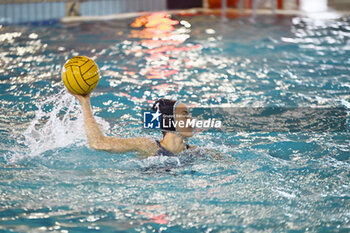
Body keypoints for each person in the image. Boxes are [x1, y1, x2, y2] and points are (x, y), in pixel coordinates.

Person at [73, 93, 196, 157]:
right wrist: (85, 103)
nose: (192, 120)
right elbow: (98, 143)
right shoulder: (148, 146)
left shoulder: (195, 152)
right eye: (185, 115)